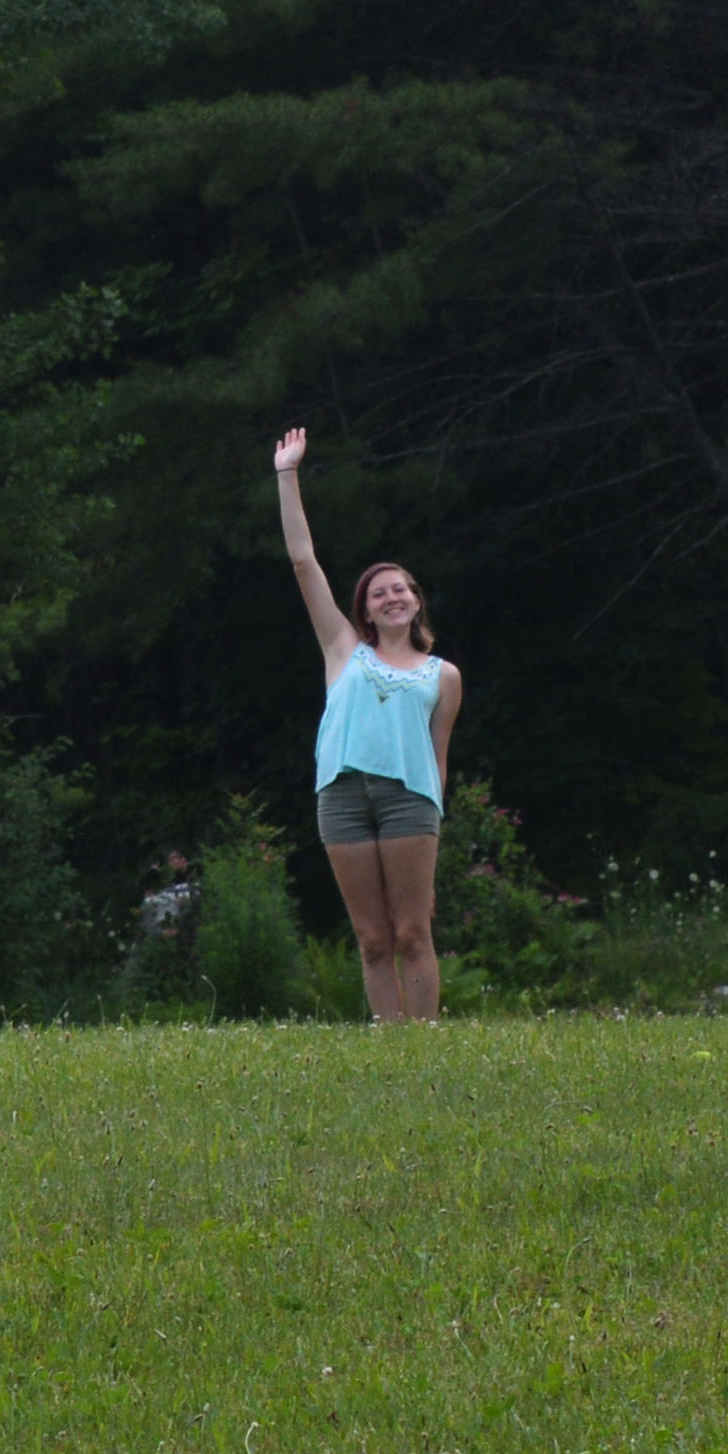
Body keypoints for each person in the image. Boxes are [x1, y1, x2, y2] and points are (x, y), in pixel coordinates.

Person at [272, 428, 463, 1022]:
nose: (391, 597)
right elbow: (303, 562)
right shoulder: (343, 651)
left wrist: (435, 832)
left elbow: (438, 758)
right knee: (373, 938)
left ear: (416, 601)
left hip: (410, 803)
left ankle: (425, 1048)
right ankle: (389, 1046)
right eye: (379, 593)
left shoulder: (443, 674)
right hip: (342, 798)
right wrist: (287, 474)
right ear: (365, 609)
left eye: (400, 589)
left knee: (411, 932)